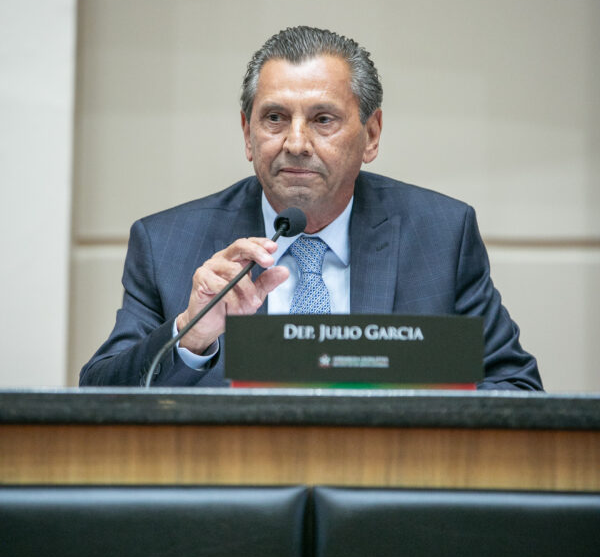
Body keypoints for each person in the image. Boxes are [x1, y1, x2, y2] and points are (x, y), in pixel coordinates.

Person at [80, 26, 542, 390]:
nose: (296, 143)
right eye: (275, 118)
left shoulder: (440, 235)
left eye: (323, 119)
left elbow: (516, 389)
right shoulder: (166, 244)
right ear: (247, 134)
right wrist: (191, 333)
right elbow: (99, 399)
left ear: (371, 135)